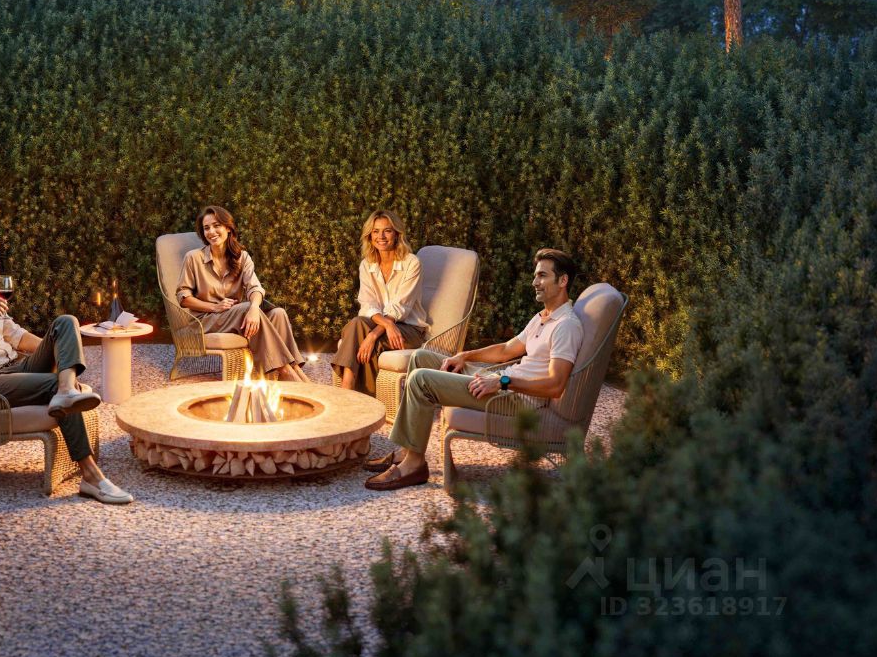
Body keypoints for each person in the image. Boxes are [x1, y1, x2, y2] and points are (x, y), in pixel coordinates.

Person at [0, 232, 133, 504]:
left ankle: (66, 389)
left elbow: (17, 336)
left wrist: (59, 350)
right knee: (56, 385)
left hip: (16, 368)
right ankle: (91, 477)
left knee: (65, 322)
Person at [363, 248, 585, 491]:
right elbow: (506, 350)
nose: (534, 282)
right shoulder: (543, 317)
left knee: (420, 380)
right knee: (421, 358)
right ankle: (408, 451)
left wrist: (502, 382)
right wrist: (465, 355)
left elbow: (555, 385)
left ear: (562, 281)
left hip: (513, 399)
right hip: (501, 383)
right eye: (535, 276)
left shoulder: (566, 326)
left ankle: (414, 466)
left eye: (542, 275)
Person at [176, 205, 308, 382]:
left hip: (234, 317)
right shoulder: (193, 258)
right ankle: (286, 372)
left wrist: (254, 308)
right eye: (206, 228)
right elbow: (183, 297)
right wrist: (214, 307)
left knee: (278, 313)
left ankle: (291, 370)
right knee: (246, 308)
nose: (211, 232)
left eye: (216, 225)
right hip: (205, 321)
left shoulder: (242, 257)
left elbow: (255, 288)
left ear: (228, 228)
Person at [332, 210, 429, 394]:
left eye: (387, 231)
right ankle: (349, 391)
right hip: (384, 324)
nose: (381, 237)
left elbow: (401, 306)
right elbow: (367, 304)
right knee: (357, 323)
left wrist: (373, 335)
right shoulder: (366, 264)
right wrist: (385, 324)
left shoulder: (412, 263)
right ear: (370, 236)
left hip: (408, 329)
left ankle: (350, 394)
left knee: (366, 338)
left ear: (397, 234)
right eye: (375, 231)